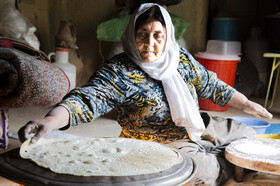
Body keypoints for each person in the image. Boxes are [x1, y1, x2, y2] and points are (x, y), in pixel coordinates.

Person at [18, 3, 272, 185]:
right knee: (197, 169)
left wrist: (248, 103)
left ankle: (221, 161)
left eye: (157, 36)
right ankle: (224, 168)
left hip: (198, 126)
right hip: (161, 144)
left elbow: (213, 85)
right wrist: (49, 121)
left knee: (247, 135)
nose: (150, 44)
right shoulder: (120, 71)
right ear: (132, 35)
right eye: (142, 35)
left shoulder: (180, 59)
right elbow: (86, 99)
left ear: (167, 36)